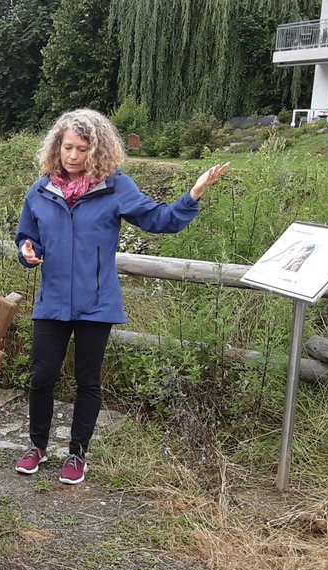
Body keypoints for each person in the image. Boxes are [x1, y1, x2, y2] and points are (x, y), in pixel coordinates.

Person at [14, 108, 227, 485]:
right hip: (51, 302)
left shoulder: (115, 188)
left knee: (87, 381)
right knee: (42, 375)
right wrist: (27, 251)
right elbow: (26, 237)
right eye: (67, 147)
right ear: (56, 147)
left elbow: (160, 220)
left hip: (97, 304)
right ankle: (37, 446)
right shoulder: (41, 189)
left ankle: (77, 454)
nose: (73, 156)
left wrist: (193, 194)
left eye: (82, 149)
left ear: (97, 151)